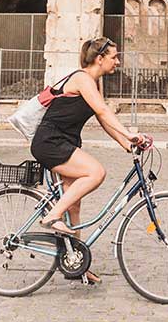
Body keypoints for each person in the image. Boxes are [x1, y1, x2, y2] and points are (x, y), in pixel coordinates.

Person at [31, 37, 145, 285]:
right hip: (51, 142)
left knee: (75, 208)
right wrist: (130, 132)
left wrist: (127, 144)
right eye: (114, 57)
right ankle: (52, 216)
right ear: (99, 58)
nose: (118, 61)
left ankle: (76, 264)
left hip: (63, 143)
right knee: (96, 172)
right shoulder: (82, 79)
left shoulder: (93, 84)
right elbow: (104, 112)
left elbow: (103, 120)